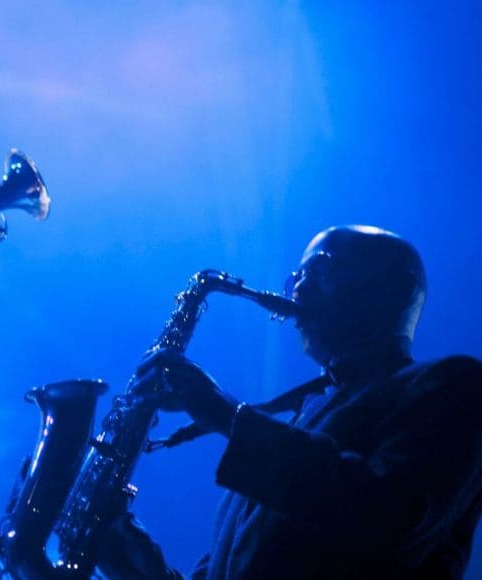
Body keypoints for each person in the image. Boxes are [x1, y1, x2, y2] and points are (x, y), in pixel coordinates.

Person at [99, 225, 482, 579]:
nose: (297, 289)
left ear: (396, 288)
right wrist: (127, 552)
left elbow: (390, 519)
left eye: (321, 269)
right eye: (296, 277)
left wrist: (228, 416)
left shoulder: (453, 384)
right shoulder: (299, 422)